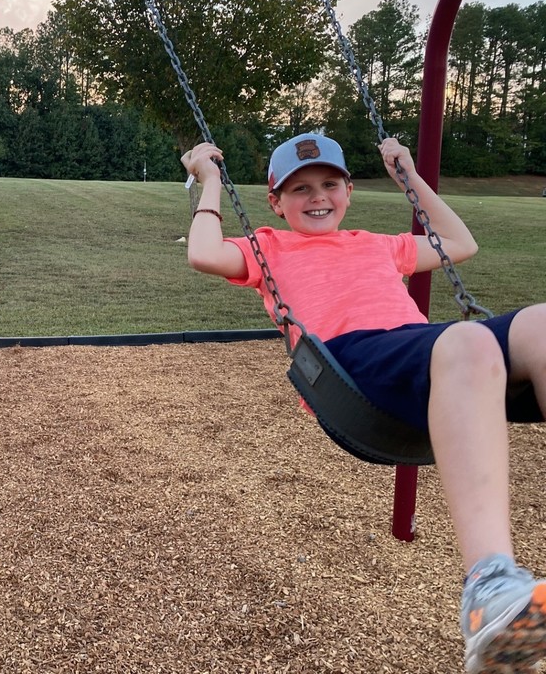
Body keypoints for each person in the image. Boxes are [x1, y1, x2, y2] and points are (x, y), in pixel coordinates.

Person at [182, 132, 546, 674]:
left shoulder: (378, 243)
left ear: (348, 192)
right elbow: (203, 253)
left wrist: (410, 179)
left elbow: (459, 244)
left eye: (330, 183)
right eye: (299, 189)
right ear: (276, 202)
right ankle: (491, 588)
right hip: (351, 365)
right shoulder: (267, 246)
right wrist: (209, 181)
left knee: (541, 321)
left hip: (421, 353)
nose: (317, 197)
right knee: (466, 341)